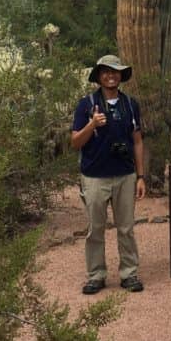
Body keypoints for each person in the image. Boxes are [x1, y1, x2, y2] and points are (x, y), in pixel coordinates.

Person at [71, 54, 147, 294]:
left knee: (126, 227)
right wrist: (92, 125)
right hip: (94, 176)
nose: (111, 75)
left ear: (121, 76)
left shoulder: (130, 104)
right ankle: (96, 275)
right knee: (96, 228)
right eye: (106, 71)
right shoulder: (86, 104)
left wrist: (141, 176)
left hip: (125, 176)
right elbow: (75, 141)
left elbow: (137, 140)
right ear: (99, 76)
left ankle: (129, 273)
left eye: (115, 71)